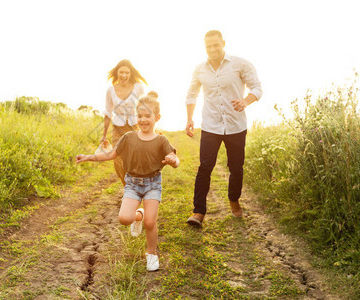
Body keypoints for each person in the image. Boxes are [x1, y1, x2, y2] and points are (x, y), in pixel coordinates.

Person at [77, 92, 179, 271]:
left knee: (150, 222)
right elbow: (110, 154)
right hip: (132, 183)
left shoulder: (161, 140)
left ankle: (152, 254)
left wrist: (173, 161)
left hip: (152, 183)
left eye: (148, 116)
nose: (143, 120)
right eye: (140, 116)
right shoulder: (128, 138)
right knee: (124, 219)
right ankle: (138, 215)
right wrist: (88, 157)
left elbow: (173, 158)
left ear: (157, 117)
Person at [185, 30, 263, 226]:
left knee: (236, 168)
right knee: (205, 168)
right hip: (210, 125)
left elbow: (257, 88)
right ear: (205, 47)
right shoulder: (199, 69)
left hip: (236, 126)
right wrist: (189, 119)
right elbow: (192, 94)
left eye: (215, 45)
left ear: (223, 44)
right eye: (208, 46)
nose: (212, 49)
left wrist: (246, 101)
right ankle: (198, 212)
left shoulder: (240, 64)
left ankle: (234, 200)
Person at [101, 59, 147, 185]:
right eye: (121, 72)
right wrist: (104, 135)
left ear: (131, 74)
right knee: (118, 160)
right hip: (118, 129)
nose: (124, 75)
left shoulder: (138, 88)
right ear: (117, 73)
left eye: (127, 72)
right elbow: (108, 112)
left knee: (136, 160)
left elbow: (145, 108)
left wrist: (149, 130)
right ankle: (127, 188)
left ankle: (137, 188)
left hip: (135, 127)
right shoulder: (111, 90)